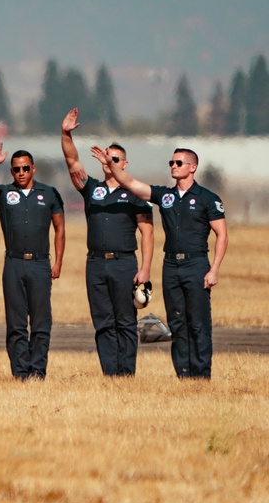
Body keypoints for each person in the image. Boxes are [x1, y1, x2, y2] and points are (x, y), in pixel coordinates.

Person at [89, 144, 227, 379]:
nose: (173, 166)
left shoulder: (207, 198)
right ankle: (183, 373)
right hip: (171, 266)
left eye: (178, 163)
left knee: (198, 323)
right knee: (177, 322)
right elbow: (131, 183)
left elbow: (222, 235)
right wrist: (111, 163)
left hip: (196, 265)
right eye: (171, 163)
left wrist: (214, 269)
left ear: (192, 167)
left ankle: (201, 375)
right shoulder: (165, 196)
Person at [61, 108, 153, 376]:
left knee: (125, 321)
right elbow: (72, 160)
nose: (107, 160)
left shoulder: (136, 193)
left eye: (114, 158)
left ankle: (126, 374)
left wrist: (145, 269)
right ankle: (110, 374)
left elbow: (147, 232)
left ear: (124, 164)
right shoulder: (92, 189)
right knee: (103, 322)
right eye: (105, 156)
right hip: (96, 264)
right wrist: (65, 133)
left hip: (125, 263)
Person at [0, 142, 65, 380]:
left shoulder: (49, 193)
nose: (21, 173)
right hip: (14, 263)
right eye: (16, 169)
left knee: (40, 321)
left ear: (33, 169)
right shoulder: (5, 193)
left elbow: (59, 229)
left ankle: (38, 370)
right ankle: (20, 372)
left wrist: (58, 262)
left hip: (40, 263)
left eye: (25, 168)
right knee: (16, 323)